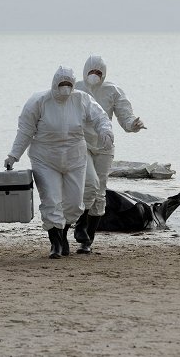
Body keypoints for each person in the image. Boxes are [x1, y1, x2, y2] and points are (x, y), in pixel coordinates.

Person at [4, 66, 114, 259]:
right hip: (45, 159)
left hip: (75, 157)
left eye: (69, 84)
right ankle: (55, 243)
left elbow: (100, 117)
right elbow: (25, 131)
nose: (65, 88)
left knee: (74, 203)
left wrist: (105, 131)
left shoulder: (81, 99)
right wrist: (13, 156)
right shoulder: (38, 101)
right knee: (51, 200)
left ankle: (63, 231)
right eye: (62, 84)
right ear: (55, 84)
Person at [74, 55, 146, 254]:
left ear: (104, 74)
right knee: (89, 184)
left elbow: (126, 116)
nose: (95, 76)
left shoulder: (113, 91)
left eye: (99, 73)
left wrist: (133, 125)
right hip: (82, 144)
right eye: (92, 72)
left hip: (105, 146)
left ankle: (88, 239)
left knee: (100, 190)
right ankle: (80, 224)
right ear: (85, 72)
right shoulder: (75, 89)